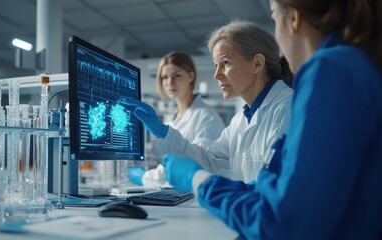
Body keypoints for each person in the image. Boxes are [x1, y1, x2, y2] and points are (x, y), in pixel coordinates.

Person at [163, 0, 382, 239]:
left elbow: (283, 220)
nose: (217, 75)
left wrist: (199, 181)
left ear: (294, 19)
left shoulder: (330, 70)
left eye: (275, 17)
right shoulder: (352, 65)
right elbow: (286, 188)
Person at [122, 20, 294, 184]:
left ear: (257, 63)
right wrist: (163, 132)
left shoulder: (288, 108)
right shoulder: (240, 120)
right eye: (216, 65)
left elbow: (275, 187)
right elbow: (209, 162)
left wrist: (207, 187)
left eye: (225, 63)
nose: (216, 75)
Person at [127, 52, 225, 187]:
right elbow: (170, 163)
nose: (169, 83)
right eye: (164, 77)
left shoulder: (206, 116)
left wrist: (145, 177)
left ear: (191, 76)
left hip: (198, 194)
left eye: (177, 76)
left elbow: (201, 165)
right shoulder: (172, 118)